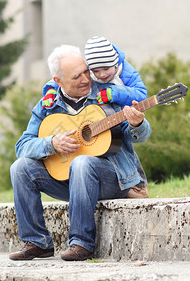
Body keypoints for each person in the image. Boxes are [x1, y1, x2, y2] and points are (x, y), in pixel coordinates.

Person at [9, 45, 152, 261]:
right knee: (20, 168)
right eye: (77, 76)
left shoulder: (107, 93)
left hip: (114, 178)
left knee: (82, 163)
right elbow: (22, 146)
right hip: (69, 181)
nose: (87, 79)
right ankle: (37, 242)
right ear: (58, 81)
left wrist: (138, 123)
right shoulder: (47, 106)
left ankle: (81, 244)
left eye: (87, 71)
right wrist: (51, 143)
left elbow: (139, 136)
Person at [41, 36, 149, 198]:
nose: (102, 75)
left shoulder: (125, 71)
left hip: (123, 106)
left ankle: (137, 185)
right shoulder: (89, 75)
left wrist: (114, 93)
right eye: (95, 71)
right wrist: (49, 91)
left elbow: (141, 94)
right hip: (100, 113)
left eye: (106, 69)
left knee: (122, 141)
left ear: (114, 63)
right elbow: (60, 78)